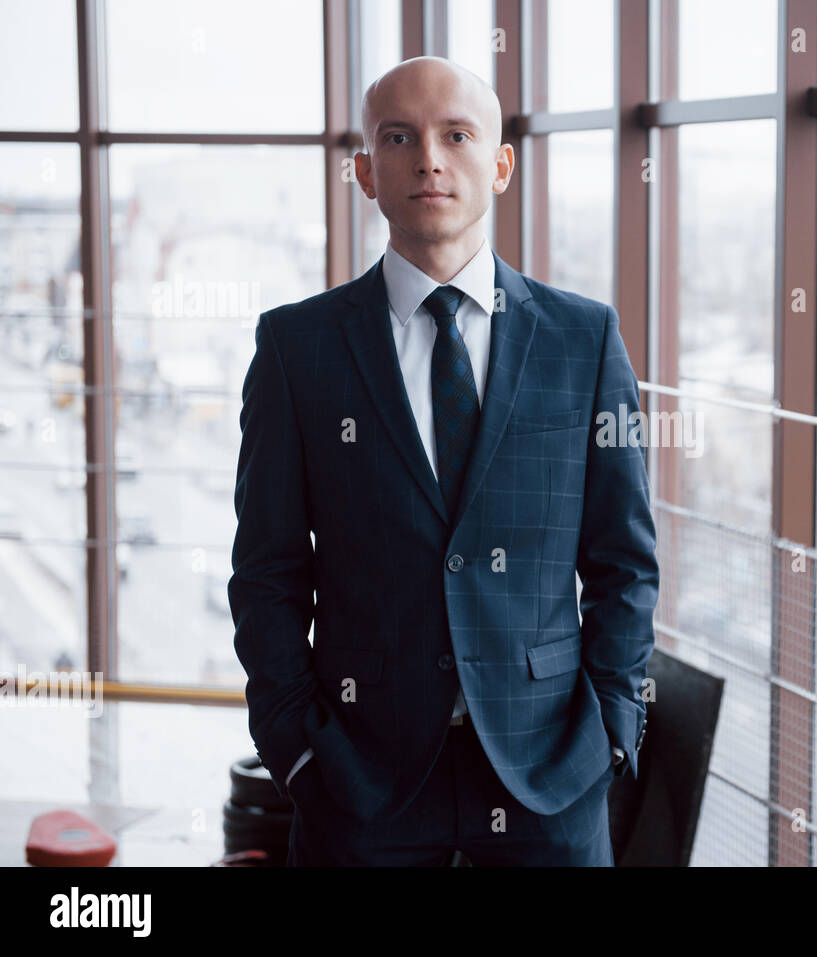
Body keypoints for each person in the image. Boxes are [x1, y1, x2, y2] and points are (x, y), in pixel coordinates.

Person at [228, 56, 657, 866]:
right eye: (400, 137)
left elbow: (624, 560)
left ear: (498, 165)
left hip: (550, 776)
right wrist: (298, 748)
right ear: (364, 171)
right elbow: (266, 572)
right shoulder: (296, 349)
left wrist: (610, 732)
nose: (429, 157)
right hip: (359, 781)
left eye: (456, 135)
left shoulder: (585, 340)